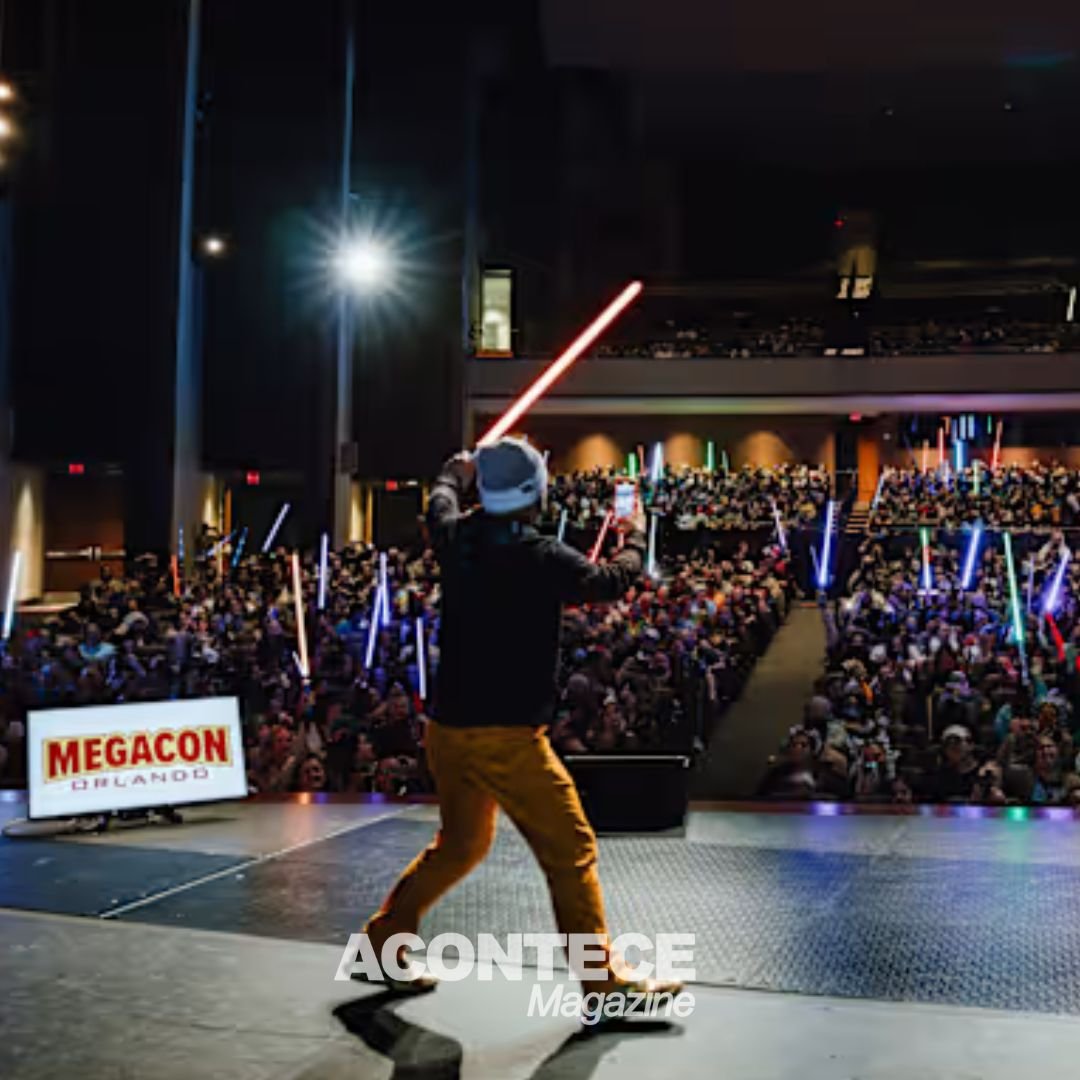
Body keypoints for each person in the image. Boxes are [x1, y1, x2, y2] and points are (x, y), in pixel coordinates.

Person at [358, 437, 683, 1008]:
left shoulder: (455, 536)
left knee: (460, 845)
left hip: (447, 731)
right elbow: (608, 582)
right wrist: (634, 535)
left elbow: (440, 500)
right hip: (506, 739)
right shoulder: (540, 555)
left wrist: (451, 474)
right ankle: (604, 984)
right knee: (572, 849)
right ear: (537, 492)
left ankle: (383, 943)